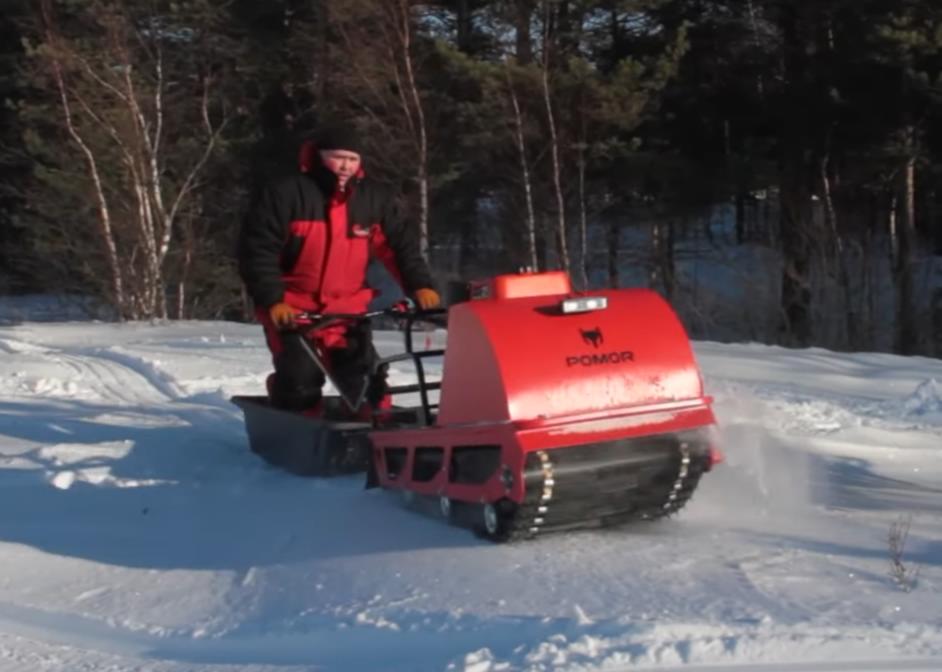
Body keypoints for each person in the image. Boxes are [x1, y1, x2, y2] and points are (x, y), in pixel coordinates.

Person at [238, 123, 440, 417]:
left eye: (352, 159)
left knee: (367, 380)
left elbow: (399, 248)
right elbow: (257, 252)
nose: (345, 166)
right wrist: (272, 299)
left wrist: (420, 285)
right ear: (319, 156)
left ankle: (373, 431)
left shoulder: (374, 199)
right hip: (293, 310)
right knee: (300, 379)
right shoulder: (287, 194)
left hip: (348, 311)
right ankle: (294, 426)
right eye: (338, 157)